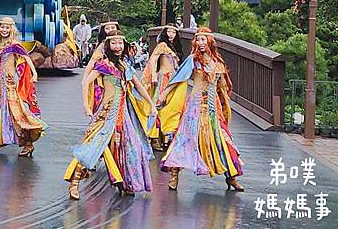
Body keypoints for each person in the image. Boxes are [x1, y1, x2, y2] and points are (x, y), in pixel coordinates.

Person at [64, 30, 157, 200]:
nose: (117, 46)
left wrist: (151, 104)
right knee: (93, 148)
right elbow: (86, 82)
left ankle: (126, 182)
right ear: (107, 45)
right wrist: (86, 105)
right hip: (106, 114)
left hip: (123, 115)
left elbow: (138, 86)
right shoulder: (104, 65)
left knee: (130, 147)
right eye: (113, 43)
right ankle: (74, 182)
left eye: (120, 43)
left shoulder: (125, 66)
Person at [160, 27, 244, 192]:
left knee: (222, 140)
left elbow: (223, 86)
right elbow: (179, 78)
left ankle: (231, 177)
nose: (200, 43)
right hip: (195, 107)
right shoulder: (193, 60)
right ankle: (174, 174)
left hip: (213, 109)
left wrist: (225, 99)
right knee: (186, 140)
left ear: (210, 41)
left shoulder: (218, 63)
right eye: (198, 40)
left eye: (203, 40)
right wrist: (164, 94)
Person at [0, 17, 47, 157]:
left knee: (17, 113)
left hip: (11, 83)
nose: (4, 30)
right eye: (2, 27)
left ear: (12, 29)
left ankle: (28, 143)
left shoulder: (15, 44)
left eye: (7, 28)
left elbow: (27, 59)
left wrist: (34, 74)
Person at [141, 24, 185, 151]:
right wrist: (154, 76)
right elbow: (153, 59)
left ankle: (165, 136)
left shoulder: (174, 48)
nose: (171, 34)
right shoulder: (162, 45)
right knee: (158, 104)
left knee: (170, 107)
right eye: (169, 32)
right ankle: (153, 136)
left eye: (174, 32)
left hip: (173, 79)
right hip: (163, 78)